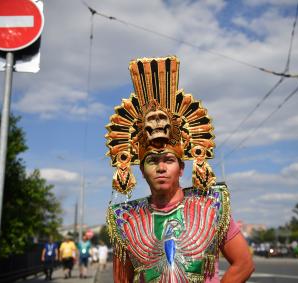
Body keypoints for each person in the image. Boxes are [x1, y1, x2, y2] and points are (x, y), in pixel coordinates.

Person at [105, 56, 255, 282]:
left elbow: (244, 264)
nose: (161, 167)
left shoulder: (210, 207)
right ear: (142, 170)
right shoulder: (126, 220)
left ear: (182, 168)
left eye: (169, 160)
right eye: (152, 162)